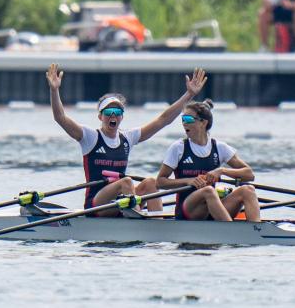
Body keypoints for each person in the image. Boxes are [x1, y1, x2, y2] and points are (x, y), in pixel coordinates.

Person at [46, 63, 207, 216]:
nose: (113, 115)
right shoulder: (90, 137)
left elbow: (163, 119)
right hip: (97, 204)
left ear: (122, 116)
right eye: (108, 112)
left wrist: (189, 95)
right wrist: (54, 91)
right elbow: (60, 118)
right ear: (100, 116)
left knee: (150, 182)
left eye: (117, 111)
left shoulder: (127, 138)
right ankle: (138, 219)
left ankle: (157, 223)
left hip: (121, 201)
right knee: (127, 182)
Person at [155, 100, 260, 221]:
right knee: (208, 191)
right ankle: (230, 232)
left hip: (212, 208)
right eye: (182, 119)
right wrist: (188, 181)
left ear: (203, 122)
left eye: (188, 119)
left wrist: (222, 171)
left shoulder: (220, 147)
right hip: (188, 210)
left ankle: (257, 231)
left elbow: (249, 174)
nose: (184, 123)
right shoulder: (178, 148)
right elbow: (160, 182)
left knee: (248, 190)